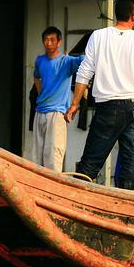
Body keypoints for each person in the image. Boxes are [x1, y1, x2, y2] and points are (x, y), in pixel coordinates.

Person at [65, 0, 134, 190]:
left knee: (91, 161)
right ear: (133, 16)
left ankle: (78, 200)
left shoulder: (98, 36)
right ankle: (126, 206)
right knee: (130, 160)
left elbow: (84, 72)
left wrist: (75, 103)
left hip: (107, 108)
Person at [31, 26, 84, 172]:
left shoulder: (66, 62)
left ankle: (51, 191)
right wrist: (41, 92)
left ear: (59, 42)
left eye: (52, 40)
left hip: (57, 113)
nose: (48, 43)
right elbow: (36, 76)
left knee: (53, 156)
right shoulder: (40, 61)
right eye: (46, 40)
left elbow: (85, 60)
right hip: (40, 111)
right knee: (36, 158)